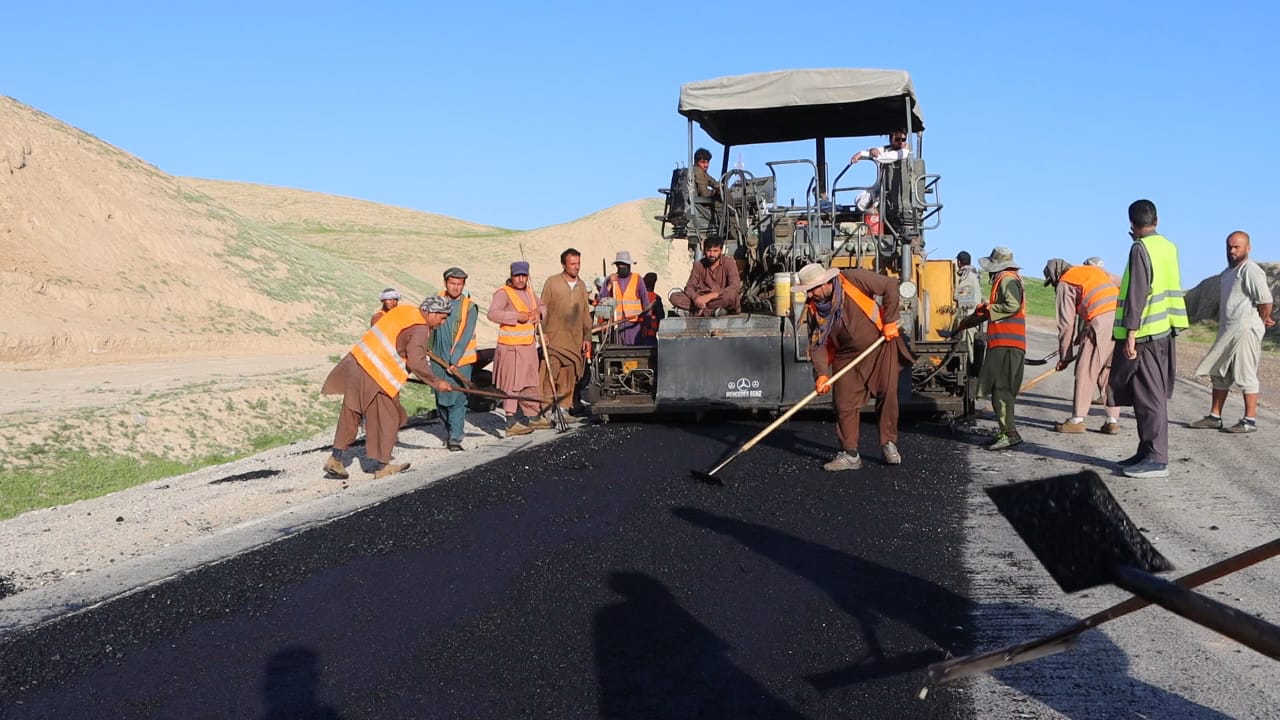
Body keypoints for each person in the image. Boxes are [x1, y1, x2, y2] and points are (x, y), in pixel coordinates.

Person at [794, 263, 913, 470]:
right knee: (843, 402)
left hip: (880, 344)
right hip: (846, 356)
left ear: (825, 283)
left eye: (812, 289)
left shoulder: (852, 279)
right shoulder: (815, 309)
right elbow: (817, 345)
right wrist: (821, 374)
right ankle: (850, 454)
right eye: (807, 291)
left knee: (887, 393)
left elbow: (890, 285)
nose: (810, 295)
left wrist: (890, 321)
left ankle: (888, 443)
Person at [321, 296, 453, 479]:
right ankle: (382, 467)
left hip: (358, 361)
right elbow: (416, 362)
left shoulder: (405, 311)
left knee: (351, 412)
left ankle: (335, 459)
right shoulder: (420, 328)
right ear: (431, 312)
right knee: (388, 418)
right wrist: (436, 382)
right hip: (378, 374)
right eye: (442, 318)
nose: (442, 323)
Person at [1108, 199, 1188, 479]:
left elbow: (1137, 292)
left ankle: (1156, 458)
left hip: (1145, 334)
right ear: (1157, 220)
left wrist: (1131, 333)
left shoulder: (1140, 248)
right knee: (1147, 395)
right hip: (1164, 330)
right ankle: (1145, 452)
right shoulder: (1168, 246)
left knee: (1149, 396)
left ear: (1132, 224)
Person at [1190, 231, 1275, 433]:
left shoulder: (1251, 270)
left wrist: (1262, 319)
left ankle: (1249, 421)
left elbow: (1265, 300)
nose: (1232, 251)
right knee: (1219, 373)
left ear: (1248, 248)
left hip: (1245, 329)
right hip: (1228, 329)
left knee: (1245, 373)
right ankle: (1215, 417)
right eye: (1229, 247)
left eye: (1237, 247)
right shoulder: (1228, 272)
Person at [944, 247, 1026, 450]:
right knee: (999, 389)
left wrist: (989, 308)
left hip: (1007, 346)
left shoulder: (1007, 279)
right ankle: (1006, 431)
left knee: (1002, 390)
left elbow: (1012, 306)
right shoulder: (1005, 280)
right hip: (1003, 345)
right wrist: (966, 323)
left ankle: (1010, 434)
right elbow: (993, 311)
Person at [1042, 258, 1122, 434]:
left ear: (1055, 275)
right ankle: (1112, 421)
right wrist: (1083, 334)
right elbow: (1121, 285)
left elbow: (1066, 324)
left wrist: (1065, 356)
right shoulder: (1093, 271)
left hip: (1101, 322)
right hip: (1122, 320)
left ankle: (1077, 420)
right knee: (1107, 371)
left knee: (1085, 370)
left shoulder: (1065, 282)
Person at [488, 261, 550, 436]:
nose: (521, 279)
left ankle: (533, 416)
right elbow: (493, 314)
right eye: (517, 276)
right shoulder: (503, 293)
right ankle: (511, 422)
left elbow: (542, 306)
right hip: (511, 348)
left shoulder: (529, 292)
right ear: (511, 276)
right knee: (513, 385)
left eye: (524, 276)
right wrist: (516, 316)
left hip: (528, 346)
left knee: (530, 381)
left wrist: (539, 313)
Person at [539, 248, 593, 417]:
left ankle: (563, 409)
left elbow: (585, 313)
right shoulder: (552, 282)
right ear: (563, 264)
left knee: (568, 377)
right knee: (550, 374)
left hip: (574, 341)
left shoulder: (581, 285)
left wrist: (587, 336)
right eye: (572, 264)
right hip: (553, 339)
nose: (576, 267)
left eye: (578, 263)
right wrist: (542, 333)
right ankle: (546, 409)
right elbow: (542, 308)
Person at [431, 267, 478, 451]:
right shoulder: (435, 300)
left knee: (458, 398)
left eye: (459, 284)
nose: (456, 287)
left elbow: (466, 335)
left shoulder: (469, 307)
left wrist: (455, 360)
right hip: (437, 358)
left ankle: (455, 437)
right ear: (445, 283)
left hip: (460, 361)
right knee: (441, 397)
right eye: (452, 283)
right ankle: (449, 430)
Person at [669, 237, 741, 317]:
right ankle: (713, 311)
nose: (712, 254)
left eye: (715, 251)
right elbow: (689, 287)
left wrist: (711, 296)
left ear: (721, 251)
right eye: (709, 251)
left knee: (731, 295)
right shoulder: (699, 265)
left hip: (719, 297)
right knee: (674, 297)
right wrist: (696, 298)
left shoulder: (729, 263)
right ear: (704, 251)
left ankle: (698, 312)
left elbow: (735, 286)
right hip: (702, 299)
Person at [849, 129, 911, 212]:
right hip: (881, 187)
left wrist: (866, 154)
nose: (901, 142)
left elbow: (885, 157)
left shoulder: (905, 152)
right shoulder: (887, 149)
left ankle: (875, 208)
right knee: (860, 200)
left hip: (898, 189)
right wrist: (869, 151)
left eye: (903, 140)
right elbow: (875, 151)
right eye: (897, 139)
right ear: (891, 139)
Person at [600, 251, 653, 346]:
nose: (623, 267)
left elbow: (646, 303)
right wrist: (610, 285)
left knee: (634, 352)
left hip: (634, 326)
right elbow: (602, 302)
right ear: (617, 265)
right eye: (621, 264)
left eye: (626, 264)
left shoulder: (638, 279)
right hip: (616, 326)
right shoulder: (610, 279)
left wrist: (647, 324)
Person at [639, 271, 664, 346]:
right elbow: (661, 317)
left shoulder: (637, 296)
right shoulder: (656, 298)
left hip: (636, 333)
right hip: (650, 335)